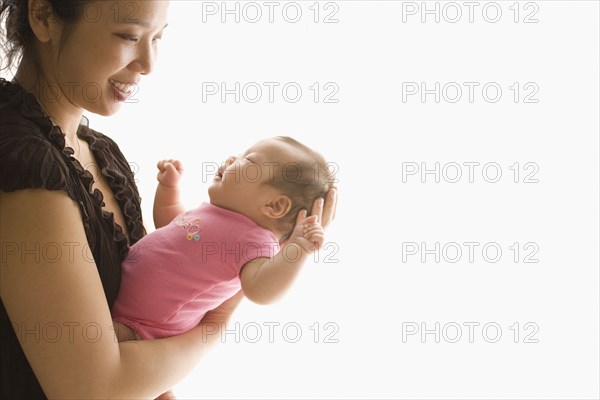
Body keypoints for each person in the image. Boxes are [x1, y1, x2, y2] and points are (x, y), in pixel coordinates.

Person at [0, 1, 337, 399]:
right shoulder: (23, 163)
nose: (148, 63)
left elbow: (151, 300)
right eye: (129, 36)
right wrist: (216, 324)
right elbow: (95, 391)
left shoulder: (101, 152)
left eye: (158, 39)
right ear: (42, 16)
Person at [112, 136, 334, 341]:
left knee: (92, 347)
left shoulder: (255, 240)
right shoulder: (213, 213)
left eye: (247, 160)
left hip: (143, 328)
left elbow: (260, 290)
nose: (231, 159)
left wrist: (297, 249)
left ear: (274, 205)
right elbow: (170, 225)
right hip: (118, 302)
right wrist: (169, 188)